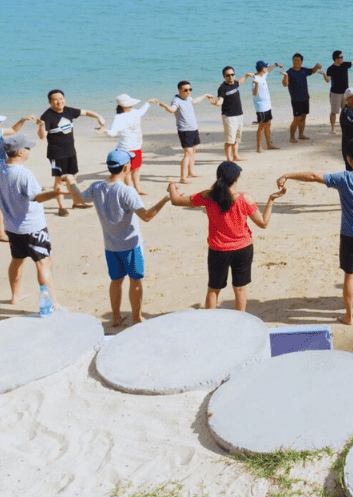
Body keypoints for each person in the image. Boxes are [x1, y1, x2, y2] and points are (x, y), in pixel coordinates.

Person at [277, 139, 353, 325]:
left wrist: (288, 174)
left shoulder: (344, 178)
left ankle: (349, 316)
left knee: (350, 276)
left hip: (351, 236)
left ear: (349, 160)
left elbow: (313, 176)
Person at [168, 161, 285, 312]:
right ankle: (240, 321)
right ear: (236, 179)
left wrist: (172, 188)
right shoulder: (245, 198)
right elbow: (263, 223)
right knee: (240, 289)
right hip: (243, 248)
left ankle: (211, 322)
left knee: (213, 289)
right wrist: (271, 200)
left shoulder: (208, 196)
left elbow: (176, 201)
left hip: (218, 249)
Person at [74, 149, 170, 326]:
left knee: (116, 281)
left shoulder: (96, 187)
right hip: (131, 245)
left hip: (111, 246)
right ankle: (136, 317)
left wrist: (71, 183)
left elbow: (79, 199)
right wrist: (166, 199)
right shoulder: (127, 192)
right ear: (126, 167)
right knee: (135, 281)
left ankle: (116, 317)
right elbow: (147, 216)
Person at [0, 134, 67, 305]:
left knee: (17, 261)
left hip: (12, 227)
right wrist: (57, 192)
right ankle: (52, 305)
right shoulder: (24, 174)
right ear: (21, 152)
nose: (29, 151)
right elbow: (37, 197)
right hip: (32, 227)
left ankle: (15, 297)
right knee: (44, 263)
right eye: (27, 148)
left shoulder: (1, 169)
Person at [38, 89, 105, 216]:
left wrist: (98, 116)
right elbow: (42, 136)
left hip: (70, 151)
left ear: (64, 99)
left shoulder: (69, 111)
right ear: (50, 102)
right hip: (56, 154)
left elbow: (85, 112)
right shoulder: (47, 116)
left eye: (61, 98)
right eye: (55, 99)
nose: (59, 101)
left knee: (73, 177)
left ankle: (76, 202)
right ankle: (61, 207)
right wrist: (41, 126)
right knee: (60, 180)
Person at [155, 81, 214, 184]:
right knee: (188, 153)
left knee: (193, 151)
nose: (188, 92)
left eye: (190, 90)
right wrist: (165, 106)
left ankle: (190, 172)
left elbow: (195, 101)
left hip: (193, 128)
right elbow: (172, 109)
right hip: (184, 130)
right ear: (180, 90)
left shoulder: (189, 98)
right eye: (185, 90)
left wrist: (205, 95)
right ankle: (183, 178)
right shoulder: (176, 100)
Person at [104, 94, 159, 195]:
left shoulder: (134, 112)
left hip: (137, 146)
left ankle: (138, 189)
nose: (131, 105)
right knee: (127, 171)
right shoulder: (118, 117)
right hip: (125, 148)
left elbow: (141, 112)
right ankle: (128, 190)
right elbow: (113, 132)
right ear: (123, 105)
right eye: (129, 104)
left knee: (136, 169)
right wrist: (105, 131)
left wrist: (148, 103)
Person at [0, 113, 38, 242]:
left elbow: (13, 130)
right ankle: (1, 233)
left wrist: (23, 120)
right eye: (0, 122)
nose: (1, 125)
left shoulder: (0, 131)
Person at [282, 53, 325, 143]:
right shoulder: (289, 72)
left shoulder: (303, 70)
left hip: (305, 98)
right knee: (296, 119)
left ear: (301, 62)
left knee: (304, 117)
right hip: (296, 100)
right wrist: (285, 76)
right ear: (292, 61)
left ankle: (301, 135)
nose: (296, 62)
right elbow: (285, 84)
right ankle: (292, 137)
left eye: (298, 60)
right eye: (294, 60)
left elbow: (312, 71)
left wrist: (317, 66)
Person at [210, 66, 250, 162]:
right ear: (224, 77)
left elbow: (240, 81)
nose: (231, 77)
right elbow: (220, 100)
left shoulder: (235, 83)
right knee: (230, 140)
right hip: (229, 117)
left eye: (232, 75)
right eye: (228, 75)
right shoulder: (222, 88)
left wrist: (246, 75)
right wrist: (215, 103)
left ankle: (235, 156)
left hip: (239, 115)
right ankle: (229, 159)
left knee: (237, 138)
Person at [327, 51, 353, 133]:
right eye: (340, 57)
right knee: (334, 112)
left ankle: (346, 127)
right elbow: (327, 80)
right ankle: (333, 128)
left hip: (345, 93)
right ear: (336, 58)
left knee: (346, 110)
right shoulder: (330, 69)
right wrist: (324, 74)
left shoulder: (344, 65)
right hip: (335, 93)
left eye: (342, 57)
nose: (342, 58)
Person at [250, 60, 283, 152]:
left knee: (268, 125)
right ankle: (258, 147)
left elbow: (269, 70)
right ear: (262, 68)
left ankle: (269, 144)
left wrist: (275, 65)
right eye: (265, 67)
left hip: (267, 106)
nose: (267, 68)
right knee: (261, 127)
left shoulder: (263, 75)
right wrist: (256, 84)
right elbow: (255, 93)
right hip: (261, 108)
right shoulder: (255, 80)